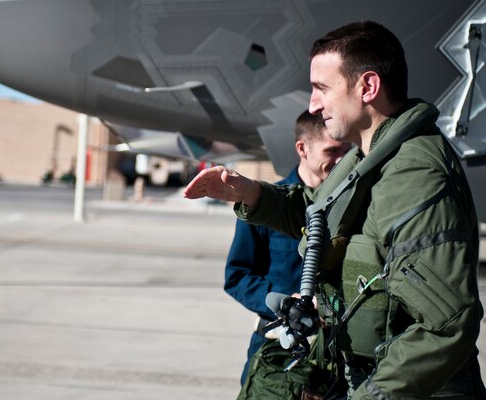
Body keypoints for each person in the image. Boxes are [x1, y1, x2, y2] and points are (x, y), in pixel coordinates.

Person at [184, 21, 485, 399]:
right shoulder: (369, 158)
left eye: (322, 88)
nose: (312, 104)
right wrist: (253, 194)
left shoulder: (414, 173)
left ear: (368, 87)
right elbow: (320, 216)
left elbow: (447, 325)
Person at [225, 110, 349, 385]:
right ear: (302, 148)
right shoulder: (264, 205)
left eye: (346, 150)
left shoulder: (352, 206)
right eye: (331, 150)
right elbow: (237, 276)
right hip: (279, 349)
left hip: (338, 353)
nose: (341, 160)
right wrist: (286, 306)